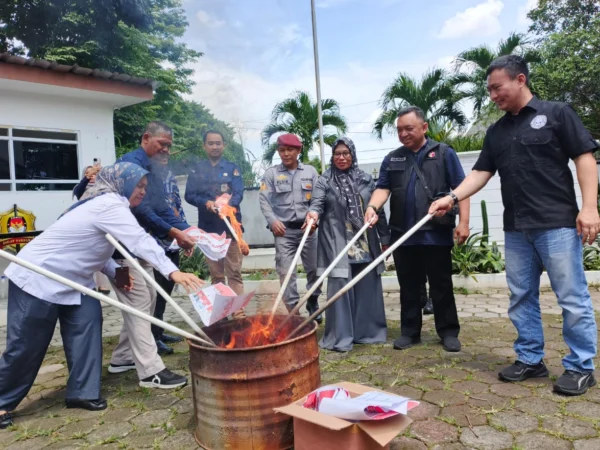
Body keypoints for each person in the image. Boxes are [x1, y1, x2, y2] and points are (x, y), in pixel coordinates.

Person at [429, 55, 599, 395]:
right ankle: (531, 359)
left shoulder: (556, 114)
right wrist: (451, 196)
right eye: (489, 90)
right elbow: (480, 173)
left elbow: (584, 157)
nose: (492, 95)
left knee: (571, 297)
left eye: (497, 87)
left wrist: (590, 207)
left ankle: (581, 366)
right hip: (517, 228)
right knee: (521, 296)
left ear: (520, 80)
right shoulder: (497, 131)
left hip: (557, 224)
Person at [0, 162, 204, 429]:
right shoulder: (110, 204)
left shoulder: (110, 206)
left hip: (77, 280)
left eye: (144, 186)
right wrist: (173, 272)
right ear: (123, 183)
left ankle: (82, 392)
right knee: (26, 345)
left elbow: (95, 244)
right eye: (139, 186)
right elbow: (139, 241)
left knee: (87, 330)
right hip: (39, 276)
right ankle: (3, 400)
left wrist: (115, 269)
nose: (142, 191)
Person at [365, 106, 470, 353]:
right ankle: (409, 332)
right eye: (399, 129)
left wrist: (463, 222)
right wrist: (372, 207)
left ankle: (448, 332)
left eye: (408, 128)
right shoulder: (393, 158)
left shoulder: (444, 154)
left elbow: (462, 188)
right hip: (403, 235)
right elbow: (383, 188)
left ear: (424, 127)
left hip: (435, 233)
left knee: (441, 284)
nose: (403, 134)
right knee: (409, 285)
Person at [107, 121, 197, 389]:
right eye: (162, 144)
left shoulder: (154, 168)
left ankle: (122, 357)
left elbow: (162, 208)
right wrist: (175, 233)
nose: (166, 150)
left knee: (148, 298)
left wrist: (188, 231)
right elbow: (143, 211)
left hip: (141, 245)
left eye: (169, 146)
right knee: (137, 302)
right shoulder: (131, 166)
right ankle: (150, 371)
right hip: (121, 250)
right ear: (146, 138)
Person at [305, 137, 390, 352]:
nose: (341, 157)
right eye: (337, 154)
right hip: (338, 242)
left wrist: (385, 240)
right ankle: (340, 336)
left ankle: (367, 332)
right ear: (332, 157)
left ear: (352, 154)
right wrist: (312, 215)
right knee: (340, 288)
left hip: (364, 240)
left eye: (345, 153)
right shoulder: (324, 180)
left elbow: (378, 209)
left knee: (367, 285)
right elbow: (316, 203)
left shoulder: (365, 180)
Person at [259, 134, 322, 321]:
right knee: (286, 272)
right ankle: (294, 312)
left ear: (298, 150)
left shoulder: (310, 172)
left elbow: (318, 200)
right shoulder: (270, 174)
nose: (286, 154)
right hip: (283, 232)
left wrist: (314, 220)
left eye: (290, 150)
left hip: (308, 230)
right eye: (282, 150)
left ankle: (313, 299)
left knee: (315, 269)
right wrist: (272, 221)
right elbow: (264, 200)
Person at [185, 130, 246, 319]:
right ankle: (220, 312)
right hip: (209, 231)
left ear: (224, 145)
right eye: (210, 143)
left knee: (234, 273)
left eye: (218, 143)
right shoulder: (197, 169)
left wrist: (226, 204)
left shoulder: (232, 168)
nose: (214, 146)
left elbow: (239, 193)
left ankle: (238, 311)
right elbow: (189, 195)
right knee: (217, 275)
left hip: (230, 230)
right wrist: (207, 203)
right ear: (204, 146)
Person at [150, 149, 187, 355]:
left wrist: (185, 232)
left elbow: (177, 206)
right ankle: (152, 337)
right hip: (155, 241)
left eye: (166, 156)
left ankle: (159, 331)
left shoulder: (169, 177)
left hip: (173, 241)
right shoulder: (148, 179)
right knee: (156, 292)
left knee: (166, 291)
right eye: (159, 155)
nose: (164, 158)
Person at [73, 165, 111, 296]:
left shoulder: (104, 189)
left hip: (102, 227)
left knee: (102, 256)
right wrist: (86, 178)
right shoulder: (81, 190)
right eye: (89, 174)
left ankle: (103, 286)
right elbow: (78, 191)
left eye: (95, 174)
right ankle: (88, 285)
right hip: (86, 228)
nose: (92, 176)